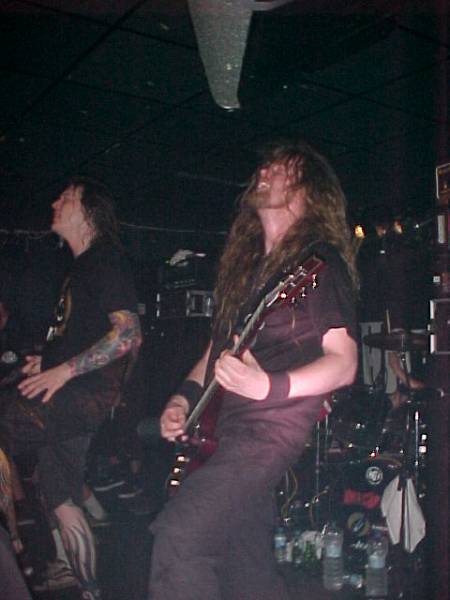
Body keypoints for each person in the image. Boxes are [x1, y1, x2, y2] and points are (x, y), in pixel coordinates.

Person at [148, 140, 358, 599]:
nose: (266, 172)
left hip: (267, 433)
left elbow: (344, 364)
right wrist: (183, 398)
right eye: (266, 166)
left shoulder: (318, 266)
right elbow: (217, 351)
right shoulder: (253, 274)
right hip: (225, 430)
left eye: (283, 169)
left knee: (179, 539)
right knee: (247, 569)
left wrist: (267, 386)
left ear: (309, 193)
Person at [3, 177, 142, 600]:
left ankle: (13, 551)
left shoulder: (104, 259)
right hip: (72, 398)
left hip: (77, 397)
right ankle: (90, 592)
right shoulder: (81, 268)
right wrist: (46, 362)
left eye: (66, 197)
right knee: (61, 499)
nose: (55, 201)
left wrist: (63, 371)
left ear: (88, 213)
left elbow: (128, 334)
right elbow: (80, 336)